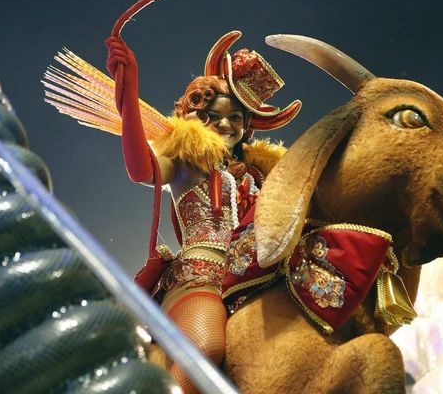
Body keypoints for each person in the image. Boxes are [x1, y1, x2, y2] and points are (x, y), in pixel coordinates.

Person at [105, 30, 300, 393]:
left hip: (256, 280)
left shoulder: (261, 176)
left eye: (236, 118)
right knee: (205, 347)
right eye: (214, 115)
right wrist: (128, 98)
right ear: (196, 114)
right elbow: (141, 170)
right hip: (201, 277)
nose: (226, 124)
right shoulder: (187, 160)